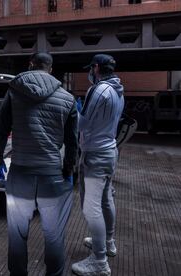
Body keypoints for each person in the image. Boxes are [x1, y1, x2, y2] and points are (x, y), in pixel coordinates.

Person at [0, 52, 78, 276]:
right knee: (54, 235)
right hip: (52, 176)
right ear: (51, 69)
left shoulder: (14, 91)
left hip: (20, 174)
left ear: (31, 65)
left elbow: (1, 129)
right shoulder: (68, 99)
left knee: (17, 234)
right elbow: (72, 142)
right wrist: (69, 170)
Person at [71, 54, 124, 276]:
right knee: (105, 199)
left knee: (91, 207)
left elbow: (83, 124)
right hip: (110, 151)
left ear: (96, 68)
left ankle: (99, 261)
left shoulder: (98, 90)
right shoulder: (118, 90)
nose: (89, 73)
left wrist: (75, 109)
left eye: (90, 69)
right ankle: (108, 242)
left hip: (95, 155)